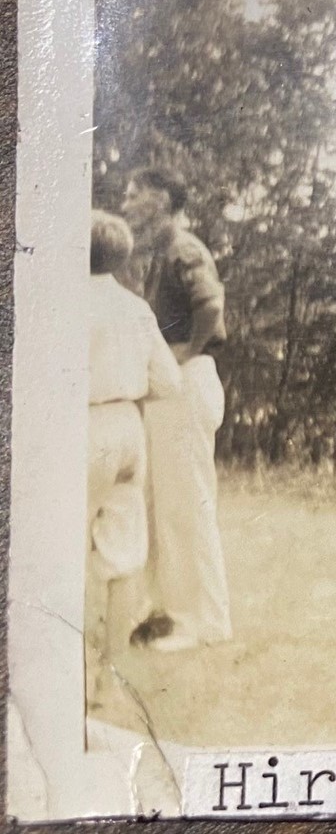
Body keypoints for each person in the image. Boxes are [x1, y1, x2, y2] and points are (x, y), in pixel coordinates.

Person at [120, 166, 231, 652]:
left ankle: (206, 624)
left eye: (134, 195)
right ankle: (175, 615)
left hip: (187, 381)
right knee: (167, 507)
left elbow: (211, 305)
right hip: (173, 387)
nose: (126, 205)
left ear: (162, 200)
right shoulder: (162, 253)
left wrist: (184, 352)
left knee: (188, 507)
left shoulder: (184, 248)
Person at [86, 211, 181, 707]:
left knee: (65, 551)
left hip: (82, 424)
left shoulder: (66, 306)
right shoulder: (135, 308)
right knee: (123, 558)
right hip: (128, 427)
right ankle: (109, 679)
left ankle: (68, 675)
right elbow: (170, 382)